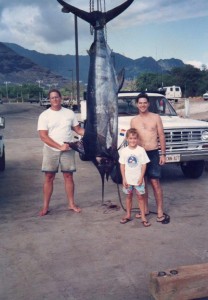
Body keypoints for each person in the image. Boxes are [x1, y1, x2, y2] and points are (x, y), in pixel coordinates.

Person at [37, 89, 84, 216]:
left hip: (68, 149)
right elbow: (43, 136)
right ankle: (45, 206)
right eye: (52, 98)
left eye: (57, 97)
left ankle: (71, 204)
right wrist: (59, 146)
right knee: (49, 177)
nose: (55, 100)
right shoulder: (44, 115)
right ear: (49, 99)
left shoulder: (69, 113)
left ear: (61, 98)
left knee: (68, 176)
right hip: (50, 150)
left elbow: (78, 130)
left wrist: (92, 134)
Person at [130, 92, 166, 222]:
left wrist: (163, 154)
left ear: (148, 104)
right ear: (137, 105)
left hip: (153, 153)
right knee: (142, 183)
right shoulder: (134, 121)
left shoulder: (156, 117)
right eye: (140, 103)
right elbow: (132, 139)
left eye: (145, 102)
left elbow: (161, 136)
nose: (142, 105)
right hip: (139, 155)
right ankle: (144, 209)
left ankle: (160, 210)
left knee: (155, 182)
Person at [119, 128, 151, 227]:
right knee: (128, 197)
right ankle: (128, 214)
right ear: (127, 139)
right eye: (130, 138)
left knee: (140, 197)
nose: (133, 140)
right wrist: (124, 178)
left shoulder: (141, 150)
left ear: (137, 139)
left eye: (135, 138)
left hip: (138, 180)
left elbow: (144, 164)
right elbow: (122, 165)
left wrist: (141, 177)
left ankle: (143, 216)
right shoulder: (124, 151)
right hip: (128, 180)